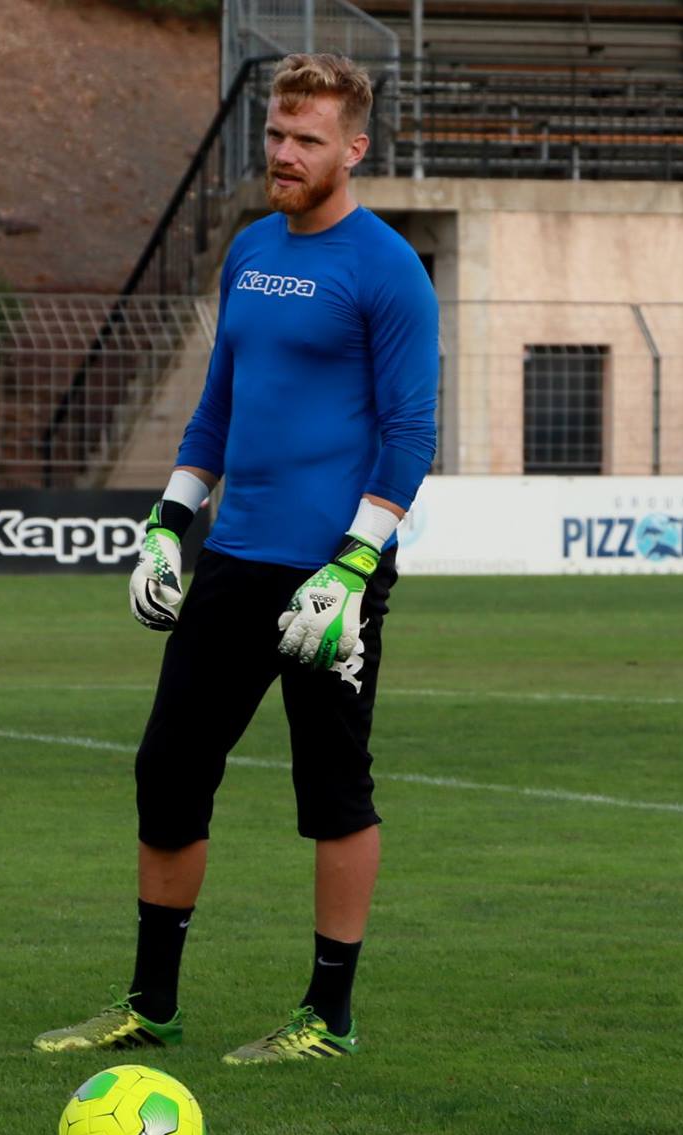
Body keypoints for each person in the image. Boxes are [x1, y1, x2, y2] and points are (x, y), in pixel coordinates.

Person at [33, 51, 437, 1065]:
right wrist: (170, 517)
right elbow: (218, 400)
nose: (284, 153)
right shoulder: (251, 249)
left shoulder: (386, 266)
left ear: (354, 148)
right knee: (167, 770)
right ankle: (149, 1006)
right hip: (233, 556)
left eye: (307, 139)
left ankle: (326, 1018)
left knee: (333, 791)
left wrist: (352, 565)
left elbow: (407, 433)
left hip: (326, 577)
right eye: (275, 134)